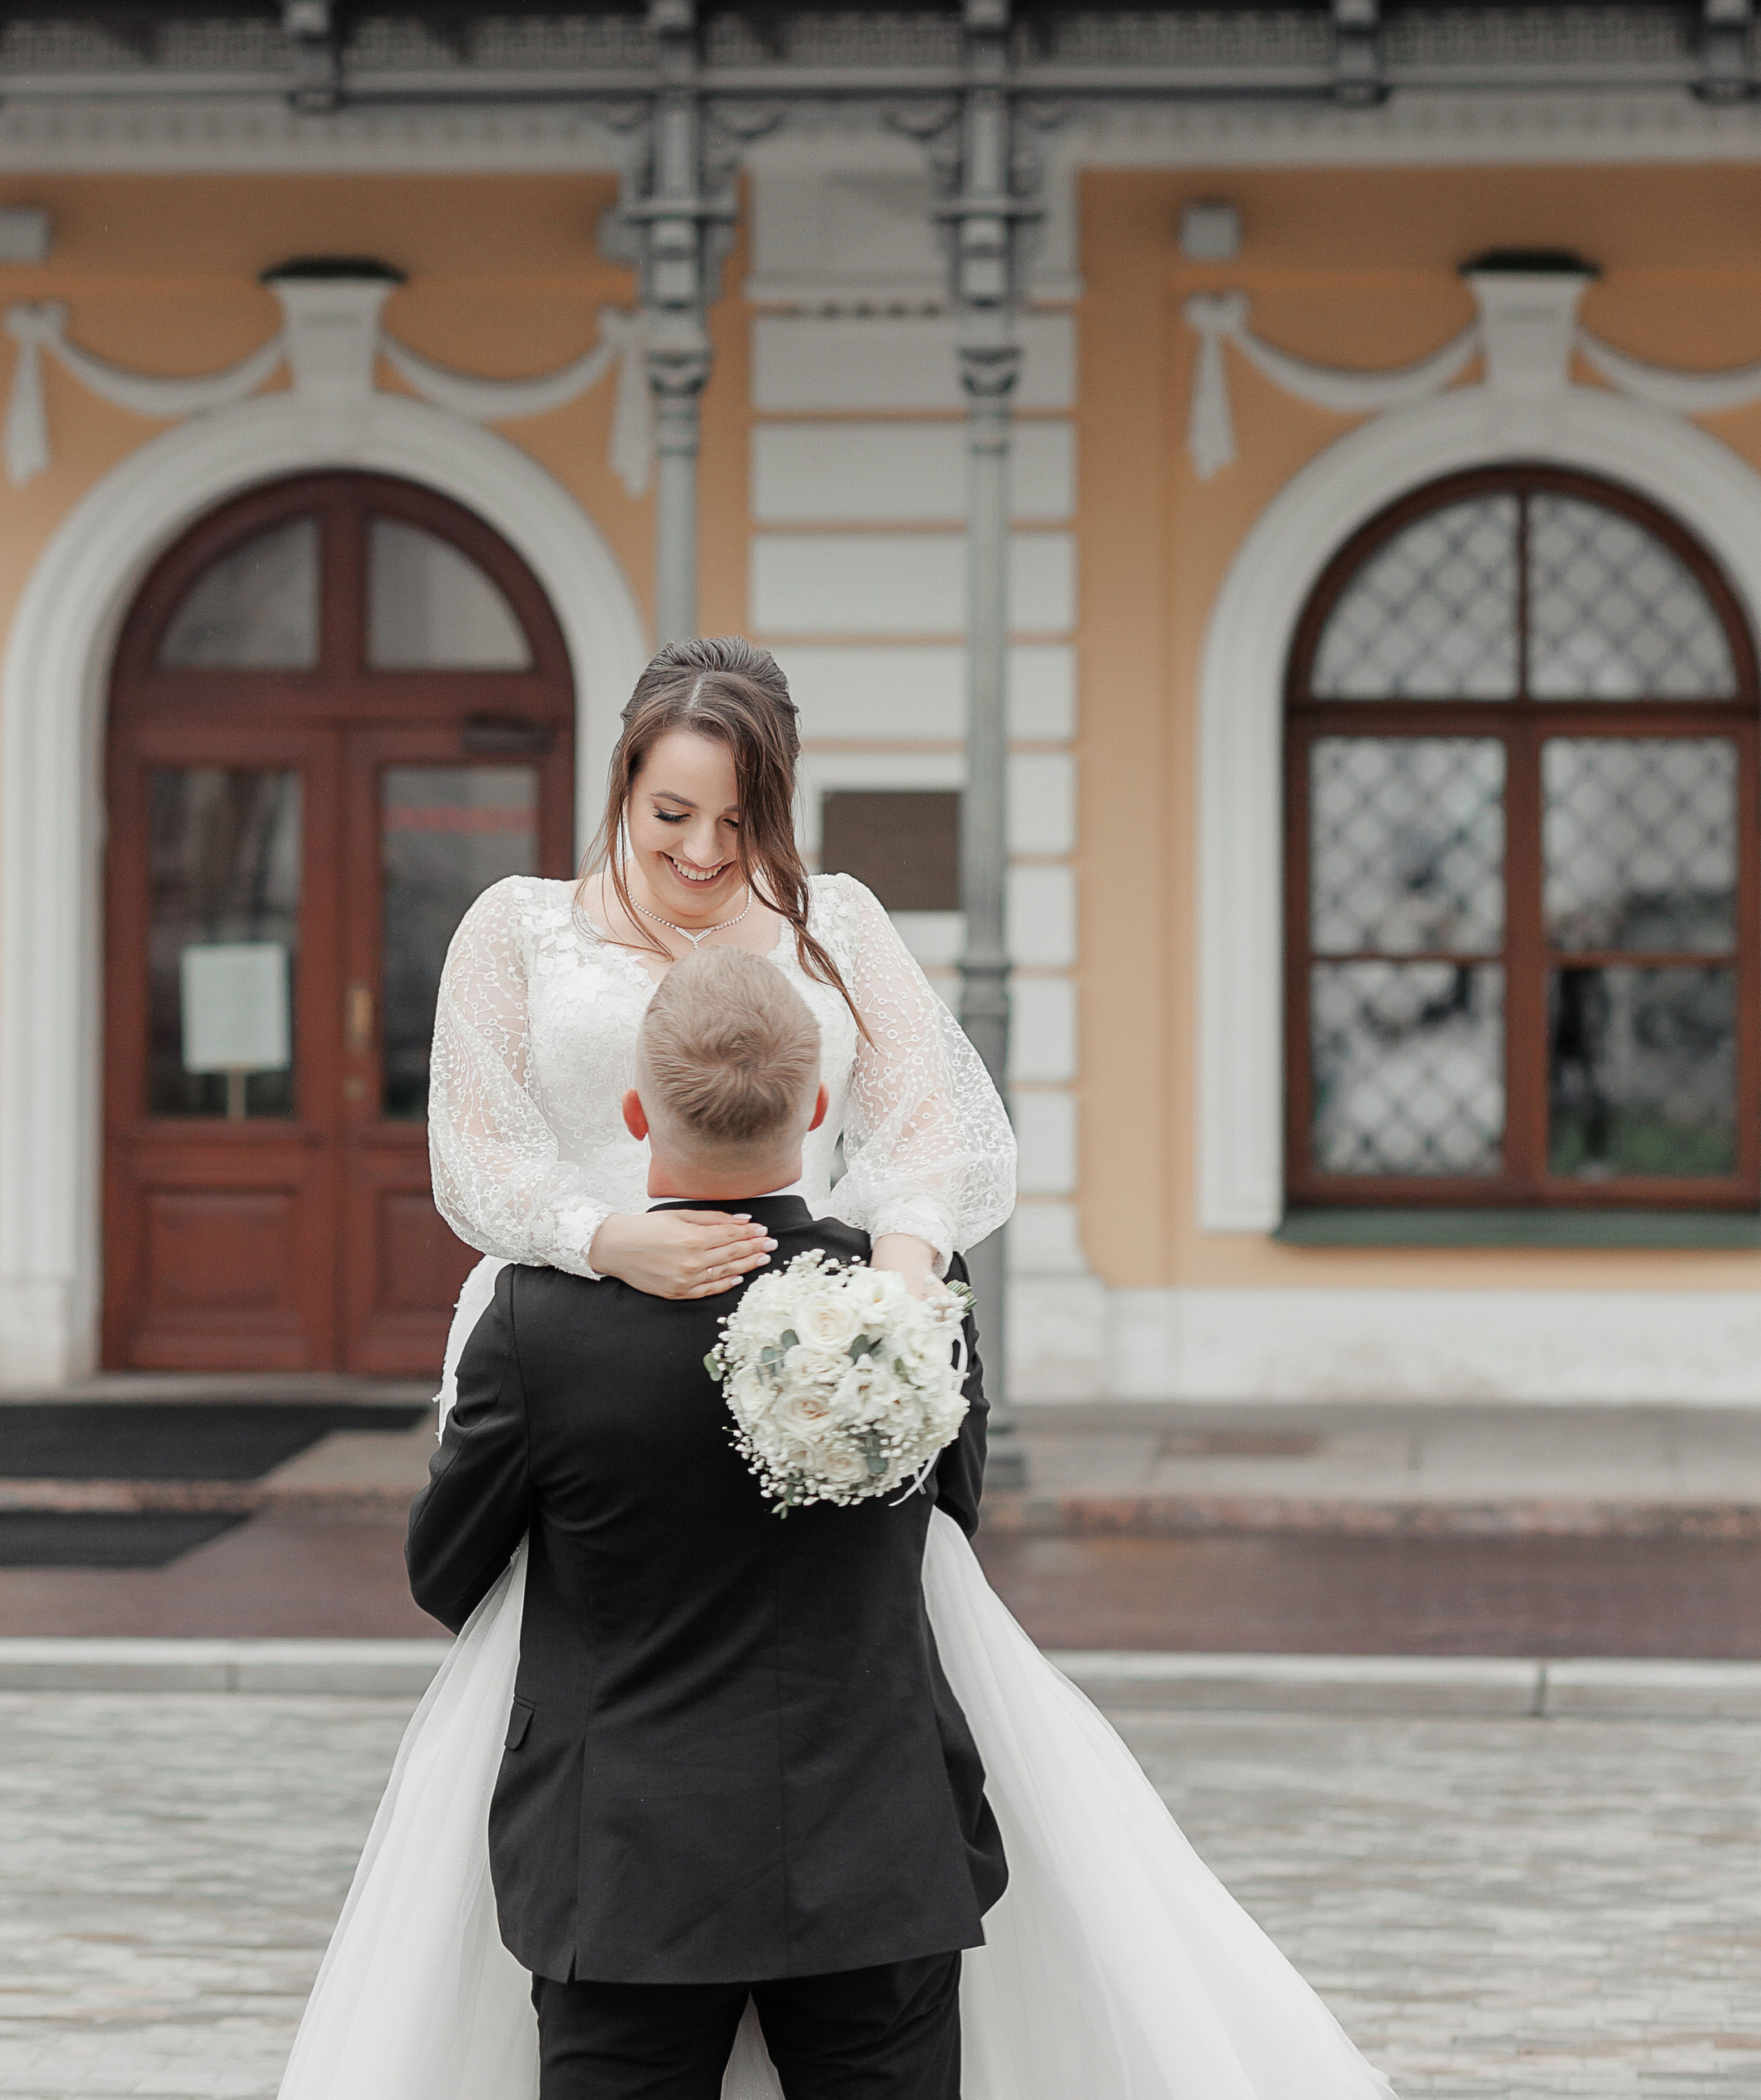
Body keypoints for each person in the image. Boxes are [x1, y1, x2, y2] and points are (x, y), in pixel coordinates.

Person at [276, 638, 1394, 2100]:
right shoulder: (517, 927)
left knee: (843, 1663)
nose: (698, 851)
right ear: (625, 780)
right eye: (671, 812)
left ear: (776, 812)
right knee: (593, 1685)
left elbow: (945, 1132)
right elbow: (473, 1152)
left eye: (735, 823)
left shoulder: (837, 925)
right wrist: (607, 1236)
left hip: (815, 1360)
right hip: (586, 1348)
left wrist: (904, 1272)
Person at [407, 948, 1005, 2100]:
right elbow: (953, 1516)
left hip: (626, 1860)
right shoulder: (904, 1300)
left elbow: (446, 1573)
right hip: (876, 1839)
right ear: (818, 1106)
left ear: (635, 1112)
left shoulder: (538, 1322)